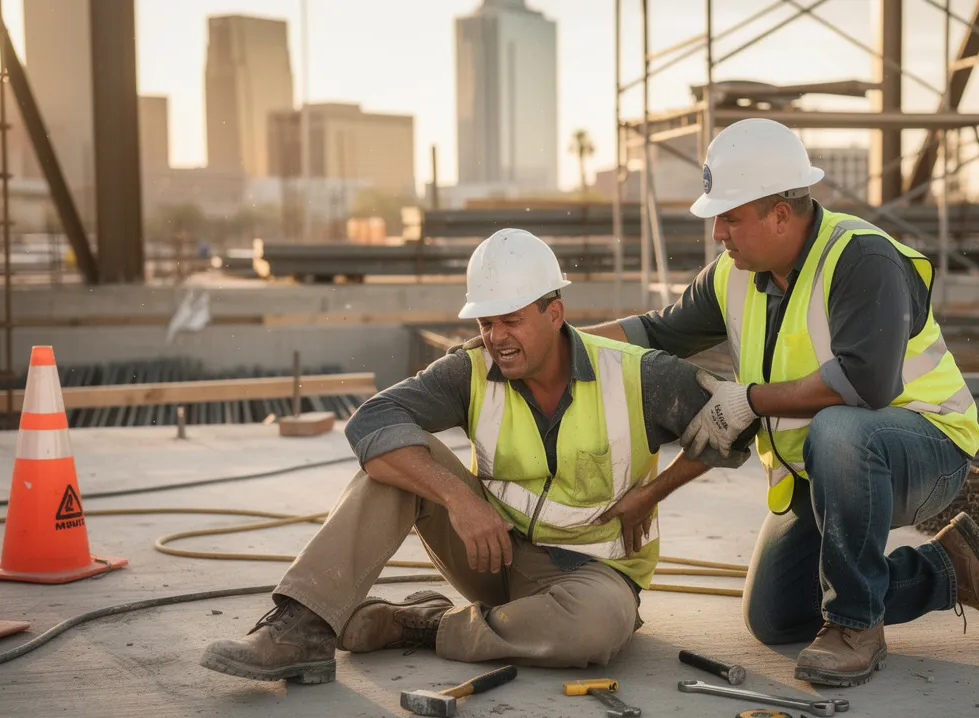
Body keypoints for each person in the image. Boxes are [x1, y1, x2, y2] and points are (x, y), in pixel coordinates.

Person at [200, 228, 747, 684]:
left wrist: (652, 493)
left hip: (596, 574)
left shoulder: (635, 373)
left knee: (592, 632)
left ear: (555, 313)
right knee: (395, 464)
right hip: (494, 553)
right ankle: (302, 628)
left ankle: (425, 626)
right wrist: (460, 499)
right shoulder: (472, 371)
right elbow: (371, 420)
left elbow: (732, 425)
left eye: (511, 321)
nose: (497, 338)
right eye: (486, 324)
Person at [584, 118, 979, 688]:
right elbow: (653, 332)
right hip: (820, 476)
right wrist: (558, 343)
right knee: (774, 617)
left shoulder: (862, 259)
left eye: (731, 217)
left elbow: (866, 384)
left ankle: (856, 625)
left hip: (924, 451)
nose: (718, 232)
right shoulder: (735, 276)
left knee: (840, 428)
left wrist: (750, 401)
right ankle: (949, 569)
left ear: (781, 214)